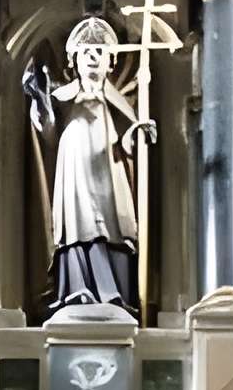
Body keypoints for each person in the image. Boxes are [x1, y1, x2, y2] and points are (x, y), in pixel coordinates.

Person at [23, 16, 155, 313]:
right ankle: (77, 288)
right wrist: (41, 102)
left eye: (100, 52)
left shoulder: (121, 103)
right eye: (86, 52)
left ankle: (116, 292)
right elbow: (46, 133)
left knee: (114, 222)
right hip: (74, 168)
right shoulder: (62, 98)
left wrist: (138, 133)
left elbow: (132, 148)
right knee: (77, 220)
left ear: (111, 63)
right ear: (74, 62)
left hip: (110, 167)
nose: (93, 57)